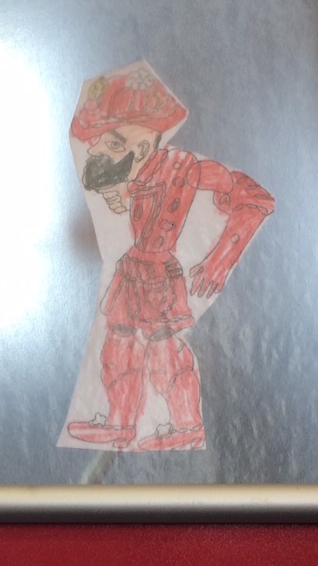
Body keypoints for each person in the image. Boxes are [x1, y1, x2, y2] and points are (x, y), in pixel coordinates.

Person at [66, 63, 274, 451]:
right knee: (118, 343)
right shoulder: (132, 174)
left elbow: (256, 199)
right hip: (131, 269)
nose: (96, 150)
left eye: (112, 142)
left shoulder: (184, 168)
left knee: (162, 347)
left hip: (158, 274)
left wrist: (220, 259)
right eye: (99, 142)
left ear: (145, 146)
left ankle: (186, 424)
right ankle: (120, 424)